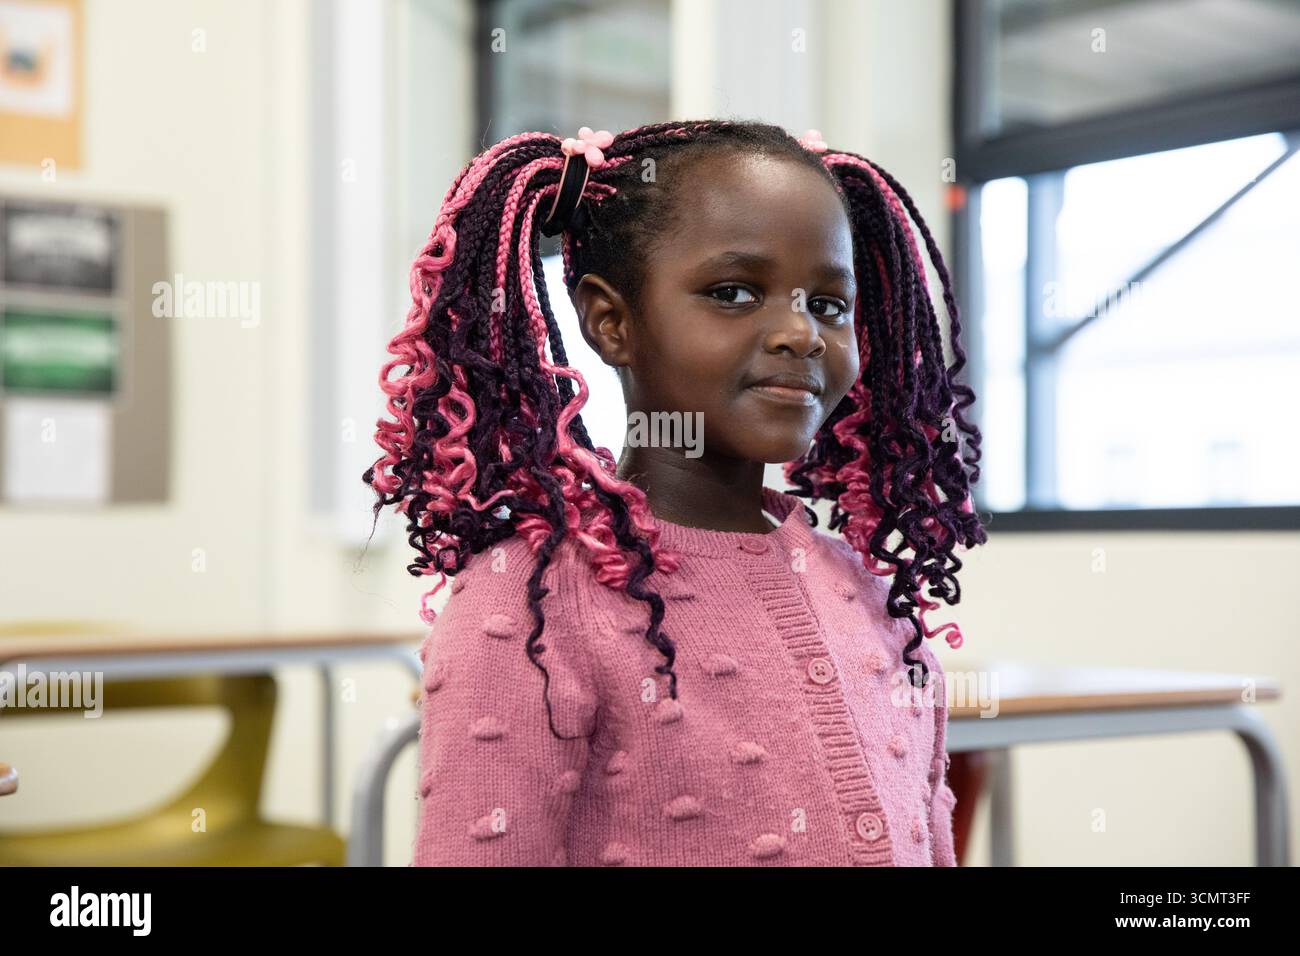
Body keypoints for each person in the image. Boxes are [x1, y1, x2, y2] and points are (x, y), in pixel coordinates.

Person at [364, 119, 988, 866]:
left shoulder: (867, 591)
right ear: (611, 322)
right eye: (733, 292)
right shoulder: (530, 603)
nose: (801, 334)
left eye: (827, 304)